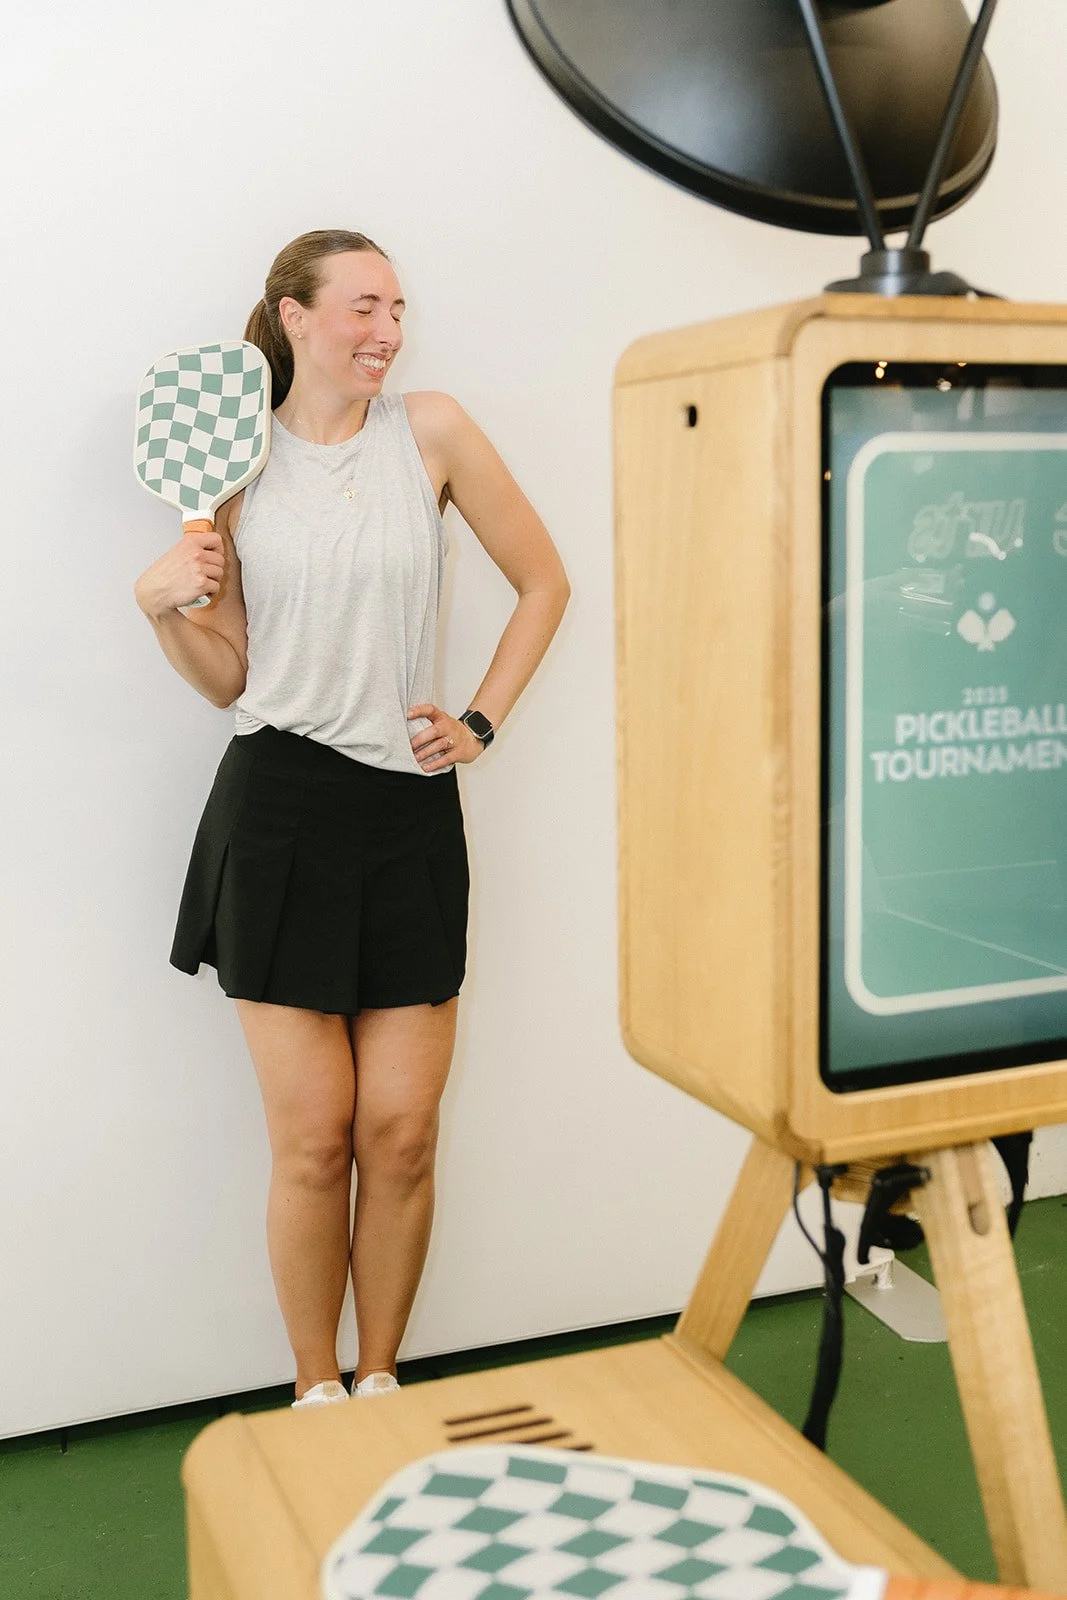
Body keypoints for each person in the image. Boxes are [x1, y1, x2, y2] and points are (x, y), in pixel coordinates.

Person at [133, 229, 570, 1408]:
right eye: (362, 307)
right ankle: (315, 1388)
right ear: (292, 315)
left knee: (402, 1134)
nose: (386, 330)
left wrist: (476, 722)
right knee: (317, 1139)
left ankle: (382, 1378)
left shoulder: (428, 431)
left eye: (398, 309)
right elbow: (228, 678)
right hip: (276, 810)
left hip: (407, 814)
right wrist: (159, 606)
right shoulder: (228, 464)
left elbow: (545, 581)